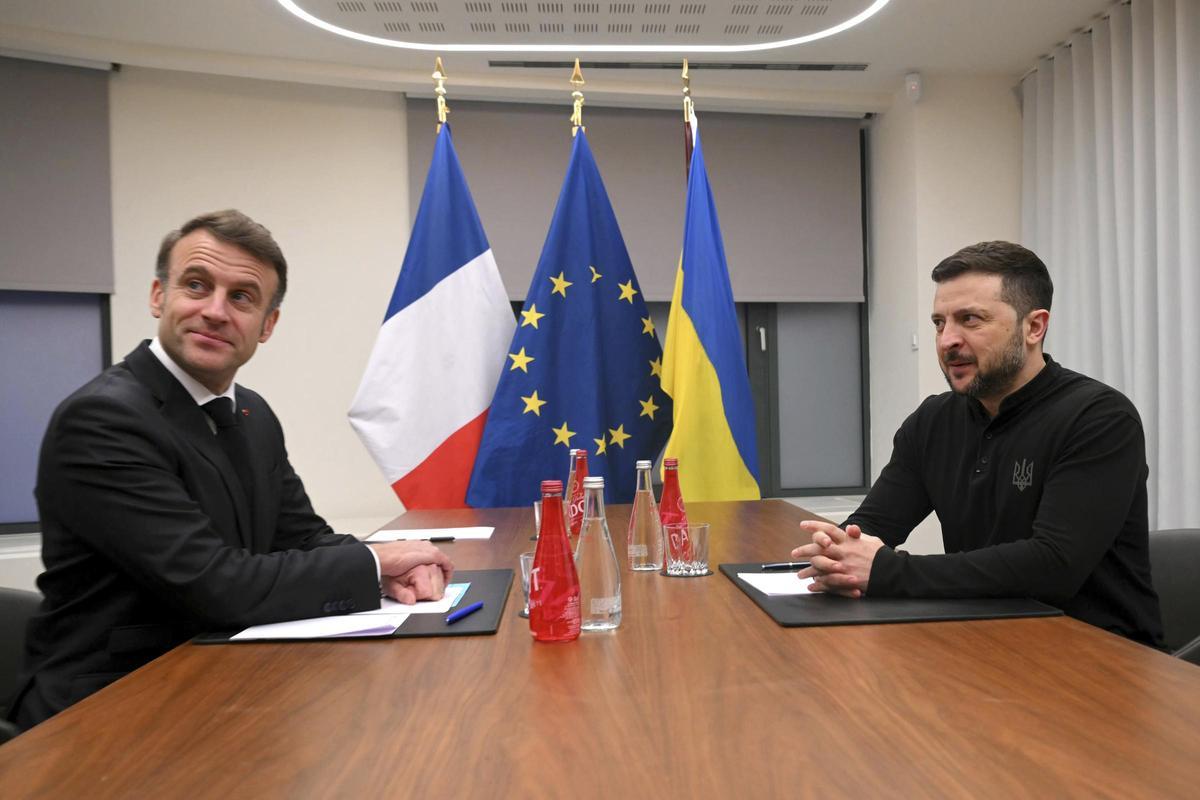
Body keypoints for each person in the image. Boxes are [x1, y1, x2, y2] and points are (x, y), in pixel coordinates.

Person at [7, 210, 454, 730]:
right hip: (108, 710)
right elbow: (216, 583)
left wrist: (388, 571)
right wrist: (376, 564)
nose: (215, 311)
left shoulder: (251, 412)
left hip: (224, 685)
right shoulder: (105, 418)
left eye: (242, 297)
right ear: (158, 296)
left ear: (267, 326)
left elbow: (302, 537)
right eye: (197, 285)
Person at [791, 241, 1163, 646]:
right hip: (982, 639)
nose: (947, 340)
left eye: (970, 319)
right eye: (939, 323)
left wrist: (884, 571)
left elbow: (1054, 566)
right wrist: (837, 554)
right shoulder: (933, 421)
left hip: (1098, 656)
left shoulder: (1099, 418)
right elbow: (871, 528)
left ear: (1034, 327)